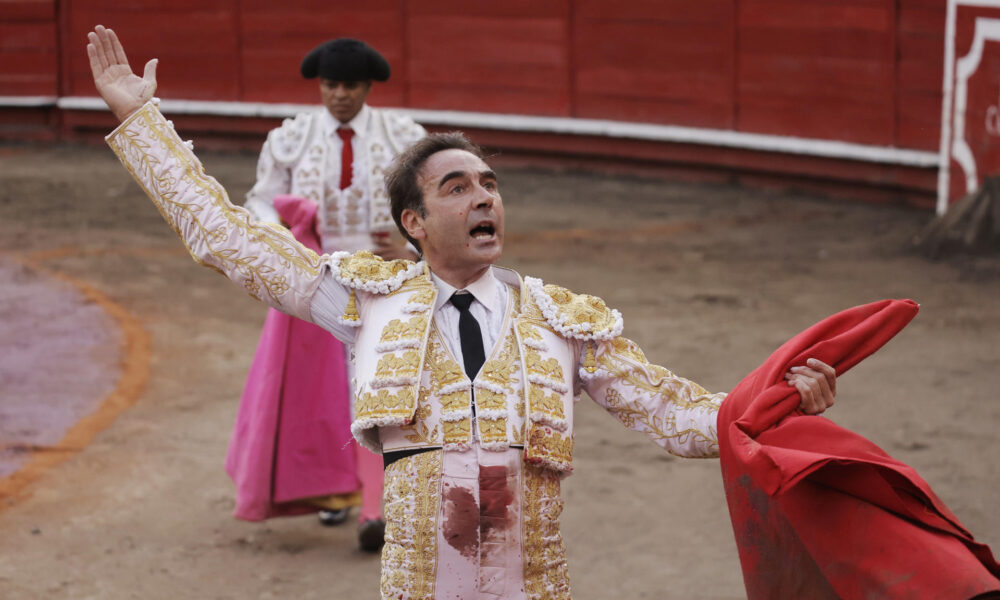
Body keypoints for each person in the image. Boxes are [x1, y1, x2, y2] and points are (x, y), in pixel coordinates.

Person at [87, 25, 837, 599]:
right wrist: (143, 124)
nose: (483, 195)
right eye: (456, 187)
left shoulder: (558, 316)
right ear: (412, 222)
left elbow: (679, 416)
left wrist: (779, 403)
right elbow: (226, 237)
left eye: (489, 184)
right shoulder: (365, 298)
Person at [227, 36, 425, 552]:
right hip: (315, 280)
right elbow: (261, 202)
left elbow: (431, 205)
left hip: (386, 278)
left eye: (351, 85)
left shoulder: (404, 137)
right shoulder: (291, 138)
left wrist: (410, 240)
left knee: (381, 387)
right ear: (320, 85)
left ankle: (376, 506)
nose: (340, 94)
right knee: (324, 390)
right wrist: (286, 235)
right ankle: (338, 493)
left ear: (367, 87)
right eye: (331, 85)